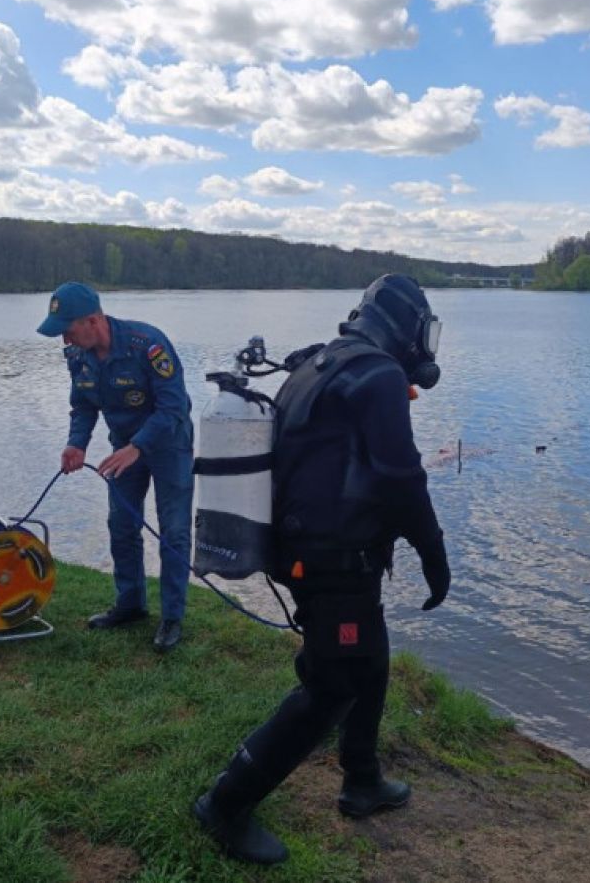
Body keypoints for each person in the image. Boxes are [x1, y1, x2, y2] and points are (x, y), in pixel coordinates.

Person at [193, 274, 451, 864]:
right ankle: (225, 805)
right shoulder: (378, 374)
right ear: (406, 327)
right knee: (331, 686)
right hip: (330, 561)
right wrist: (435, 557)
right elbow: (401, 478)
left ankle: (362, 779)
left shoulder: (322, 362)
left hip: (314, 550)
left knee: (373, 657)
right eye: (424, 332)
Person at [36, 281, 194, 653]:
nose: (65, 340)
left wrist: (137, 447)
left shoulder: (148, 345)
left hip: (168, 445)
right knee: (121, 524)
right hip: (123, 447)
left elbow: (173, 408)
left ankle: (171, 617)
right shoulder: (79, 355)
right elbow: (84, 404)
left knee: (173, 531)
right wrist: (77, 443)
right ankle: (131, 605)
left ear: (93, 320)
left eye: (68, 330)